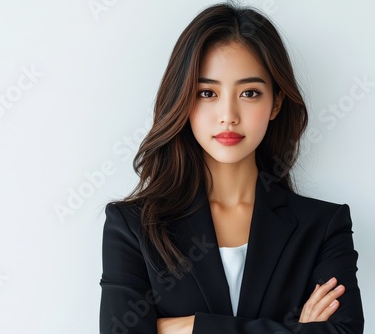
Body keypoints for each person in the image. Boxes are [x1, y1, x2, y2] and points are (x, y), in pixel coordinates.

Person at [99, 3, 364, 333]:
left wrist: (189, 327)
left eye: (250, 93)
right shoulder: (132, 227)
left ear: (276, 103)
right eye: (207, 92)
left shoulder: (323, 226)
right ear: (183, 99)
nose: (228, 114)